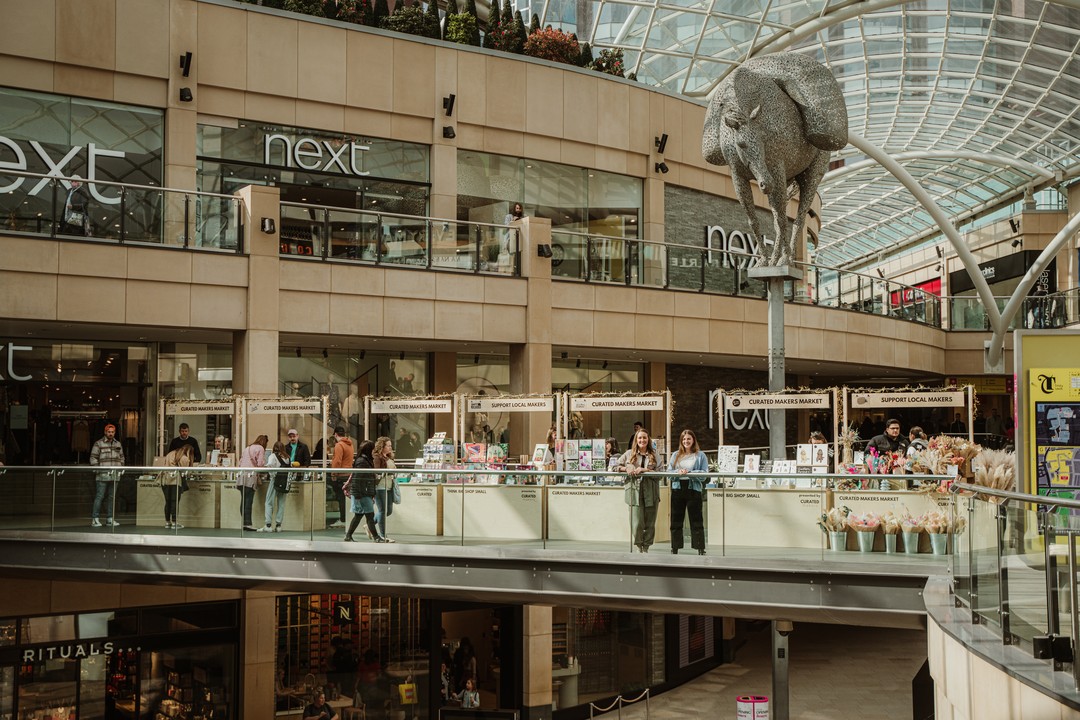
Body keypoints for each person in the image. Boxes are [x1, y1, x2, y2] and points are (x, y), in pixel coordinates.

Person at [616, 429, 663, 553]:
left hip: (651, 493)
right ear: (636, 440)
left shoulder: (655, 456)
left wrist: (645, 470)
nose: (642, 440)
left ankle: (646, 547)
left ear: (648, 440)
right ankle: (638, 546)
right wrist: (626, 468)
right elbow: (613, 467)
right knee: (636, 523)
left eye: (645, 438)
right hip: (634, 493)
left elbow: (661, 474)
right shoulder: (628, 454)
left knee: (650, 522)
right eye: (640, 438)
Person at [668, 429, 708, 555]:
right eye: (684, 439)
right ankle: (675, 547)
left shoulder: (701, 455)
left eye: (688, 439)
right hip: (677, 488)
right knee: (676, 520)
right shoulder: (675, 455)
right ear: (681, 441)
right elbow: (669, 473)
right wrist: (677, 472)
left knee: (696, 520)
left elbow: (704, 474)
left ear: (693, 440)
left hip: (693, 489)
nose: (686, 441)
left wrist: (689, 473)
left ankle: (700, 547)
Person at [344, 440, 386, 542]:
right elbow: (357, 479)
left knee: (359, 515)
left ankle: (348, 536)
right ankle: (376, 537)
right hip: (363, 493)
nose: (374, 451)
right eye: (372, 449)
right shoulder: (362, 462)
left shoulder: (363, 460)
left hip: (363, 492)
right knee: (369, 515)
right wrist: (358, 495)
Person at [89, 423, 124, 528]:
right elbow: (93, 458)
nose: (110, 434)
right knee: (99, 496)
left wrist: (121, 467)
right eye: (109, 432)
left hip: (115, 475)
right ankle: (95, 519)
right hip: (102, 475)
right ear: (105, 432)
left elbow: (122, 457)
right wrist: (98, 469)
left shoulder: (118, 444)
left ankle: (110, 519)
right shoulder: (98, 444)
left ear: (114, 433)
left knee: (112, 497)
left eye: (112, 432)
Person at [238, 434, 268, 531]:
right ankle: (248, 524)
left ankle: (244, 522)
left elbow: (240, 462)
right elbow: (260, 464)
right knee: (248, 501)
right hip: (250, 477)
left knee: (243, 500)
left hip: (241, 476)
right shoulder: (261, 448)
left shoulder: (247, 448)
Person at [259, 441, 291, 532]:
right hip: (284, 482)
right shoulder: (287, 457)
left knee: (269, 502)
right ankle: (278, 525)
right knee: (281, 503)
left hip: (275, 481)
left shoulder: (272, 456)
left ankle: (268, 525)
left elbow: (269, 467)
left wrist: (272, 475)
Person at [161, 443, 194, 529]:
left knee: (167, 502)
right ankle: (175, 523)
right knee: (174, 501)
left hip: (164, 479)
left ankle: (167, 522)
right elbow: (184, 473)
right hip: (175, 481)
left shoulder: (171, 453)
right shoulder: (185, 458)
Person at [372, 436, 398, 542]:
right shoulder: (378, 458)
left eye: (391, 445)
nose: (390, 447)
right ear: (382, 446)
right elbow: (377, 472)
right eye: (388, 445)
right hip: (381, 486)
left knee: (388, 510)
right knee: (382, 510)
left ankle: (370, 525)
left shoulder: (389, 457)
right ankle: (382, 535)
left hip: (389, 486)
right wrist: (387, 473)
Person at [329, 426, 354, 529]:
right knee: (346, 498)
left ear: (335, 434)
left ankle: (343, 519)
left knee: (341, 498)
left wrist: (333, 474)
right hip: (348, 473)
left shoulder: (339, 445)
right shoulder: (350, 444)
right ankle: (346, 518)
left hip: (341, 475)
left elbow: (337, 461)